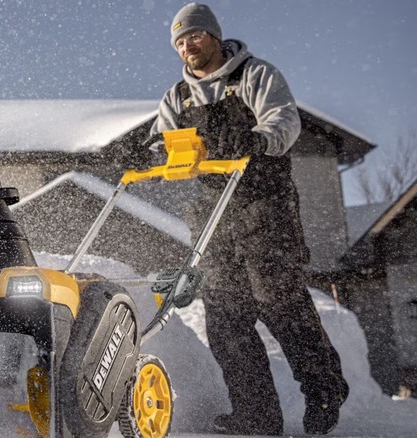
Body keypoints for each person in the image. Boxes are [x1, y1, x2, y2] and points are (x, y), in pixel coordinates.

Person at [148, 3, 349, 435]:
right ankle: (256, 416)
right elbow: (159, 143)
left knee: (281, 304)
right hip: (212, 213)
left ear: (215, 36)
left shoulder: (255, 76)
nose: (188, 46)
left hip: (265, 205)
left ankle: (324, 391)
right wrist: (159, 156)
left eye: (195, 36)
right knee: (225, 319)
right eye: (180, 42)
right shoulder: (176, 97)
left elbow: (284, 122)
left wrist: (251, 140)